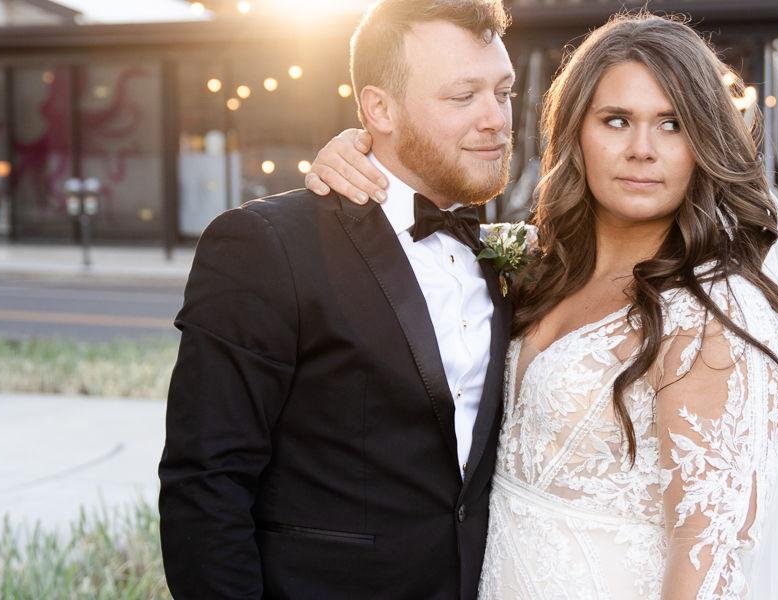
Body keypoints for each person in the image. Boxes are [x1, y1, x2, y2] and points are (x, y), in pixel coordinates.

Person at [305, 11, 778, 599]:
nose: (642, 150)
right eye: (617, 120)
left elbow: (710, 554)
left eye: (672, 125)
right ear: (577, 133)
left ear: (704, 143)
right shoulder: (537, 263)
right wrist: (361, 153)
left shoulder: (714, 312)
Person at [158, 1, 515, 598]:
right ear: (379, 109)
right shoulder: (266, 244)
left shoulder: (514, 254)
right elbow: (206, 483)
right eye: (463, 97)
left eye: (503, 92)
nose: (496, 119)